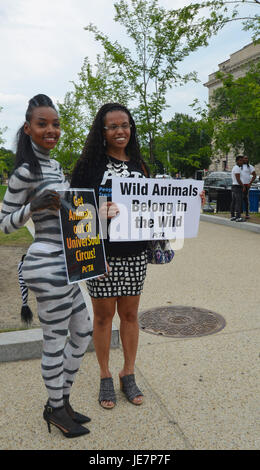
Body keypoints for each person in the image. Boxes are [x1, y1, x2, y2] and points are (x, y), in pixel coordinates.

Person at [71, 103, 206, 410]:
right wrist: (96, 213)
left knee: (130, 316)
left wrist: (191, 202)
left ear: (131, 128)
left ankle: (127, 372)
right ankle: (105, 374)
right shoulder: (88, 165)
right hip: (98, 253)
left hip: (133, 253)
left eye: (126, 125)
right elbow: (72, 209)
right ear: (102, 131)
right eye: (113, 126)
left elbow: (157, 205)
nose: (121, 131)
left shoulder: (140, 166)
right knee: (104, 318)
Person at [0, 94, 92, 438]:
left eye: (55, 123)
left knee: (82, 332)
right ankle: (55, 409)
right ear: (28, 128)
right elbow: (3, 223)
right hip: (46, 264)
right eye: (43, 124)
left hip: (68, 262)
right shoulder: (25, 171)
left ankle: (62, 401)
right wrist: (31, 207)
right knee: (55, 339)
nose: (51, 130)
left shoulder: (54, 166)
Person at [230, 155, 245, 222]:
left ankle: (233, 216)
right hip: (237, 186)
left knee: (234, 202)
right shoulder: (237, 168)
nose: (242, 162)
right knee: (238, 202)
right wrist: (243, 186)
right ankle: (238, 217)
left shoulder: (234, 168)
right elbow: (238, 179)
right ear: (237, 161)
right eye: (241, 160)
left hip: (234, 186)